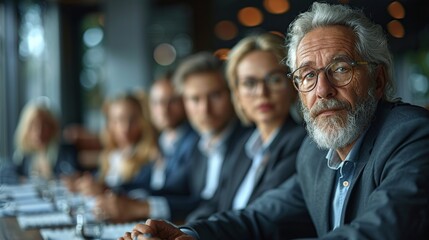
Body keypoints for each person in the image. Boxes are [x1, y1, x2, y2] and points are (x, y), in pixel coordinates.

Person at [121, 2, 429, 239]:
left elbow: (377, 233)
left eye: (340, 69)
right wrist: (189, 234)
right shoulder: (314, 154)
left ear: (377, 80)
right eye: (308, 75)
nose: (322, 90)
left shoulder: (411, 135)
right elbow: (259, 218)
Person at [95, 52, 248, 223]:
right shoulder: (202, 144)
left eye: (215, 96)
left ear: (232, 95)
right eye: (195, 99)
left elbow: (217, 204)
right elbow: (174, 189)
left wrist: (145, 207)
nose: (205, 109)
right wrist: (114, 191)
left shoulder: (248, 144)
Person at [186, 33, 306, 222]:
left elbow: (259, 218)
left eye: (274, 79)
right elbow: (214, 203)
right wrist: (183, 231)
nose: (262, 92)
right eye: (249, 83)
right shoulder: (242, 145)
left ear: (292, 84)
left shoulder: (301, 143)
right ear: (237, 94)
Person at [73, 93, 159, 196]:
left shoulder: (151, 156)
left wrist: (105, 189)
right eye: (119, 120)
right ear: (110, 124)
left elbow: (143, 191)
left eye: (133, 120)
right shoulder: (111, 156)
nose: (126, 127)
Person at [13, 97, 80, 181]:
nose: (39, 132)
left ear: (53, 127)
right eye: (33, 126)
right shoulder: (24, 156)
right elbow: (6, 174)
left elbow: (72, 174)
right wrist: (19, 179)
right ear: (25, 130)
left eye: (44, 125)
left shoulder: (65, 151)